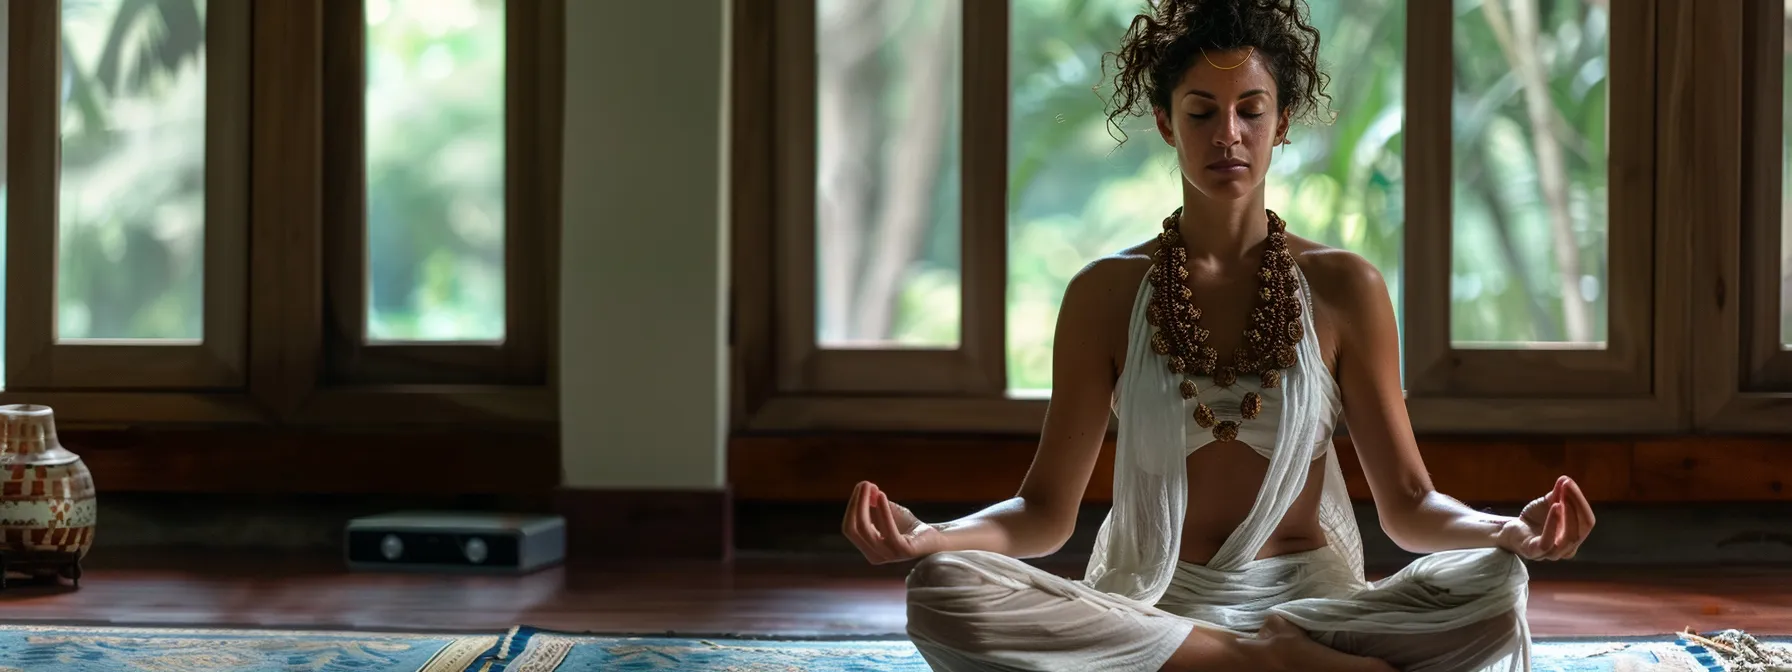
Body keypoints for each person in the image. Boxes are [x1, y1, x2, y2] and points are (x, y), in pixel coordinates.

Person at [840, 0, 1597, 670]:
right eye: (1201, 112)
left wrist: (1509, 529)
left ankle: (1246, 656)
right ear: (1167, 122)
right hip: (1154, 607)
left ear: (1283, 122)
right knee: (941, 592)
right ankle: (1262, 662)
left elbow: (1408, 503)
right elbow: (1043, 514)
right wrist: (931, 538)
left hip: (1312, 608)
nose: (1227, 134)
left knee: (1497, 586)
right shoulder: (1104, 294)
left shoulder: (1345, 287)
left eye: (1251, 109)